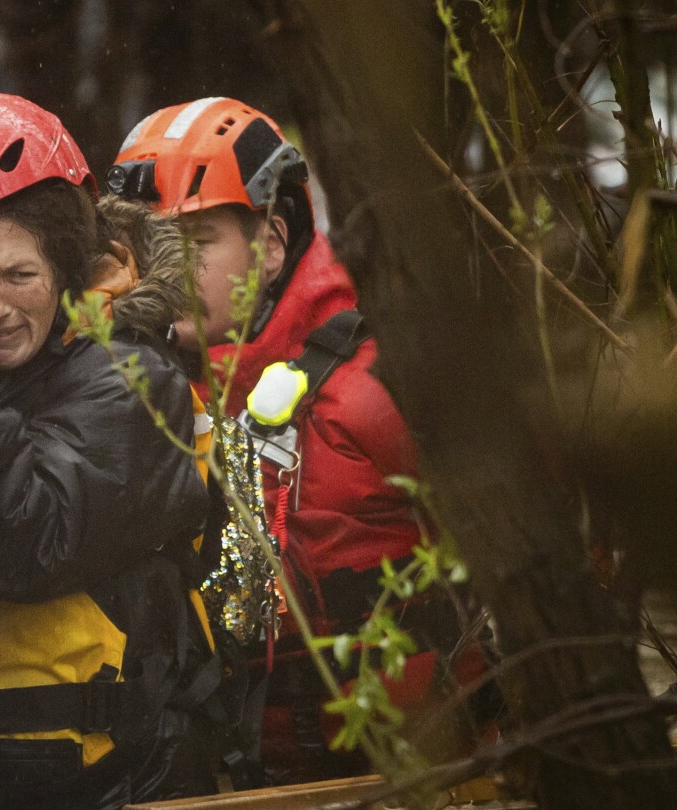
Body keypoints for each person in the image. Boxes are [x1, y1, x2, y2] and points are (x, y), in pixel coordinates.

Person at [110, 98, 491, 783]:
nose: (168, 274)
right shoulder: (127, 389)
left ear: (274, 242)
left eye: (197, 246)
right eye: (150, 249)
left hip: (429, 771)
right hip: (244, 779)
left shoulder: (379, 380)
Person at [0, 94, 216, 809]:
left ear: (69, 272)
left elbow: (32, 542)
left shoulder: (134, 379)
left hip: (117, 776)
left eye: (20, 276)